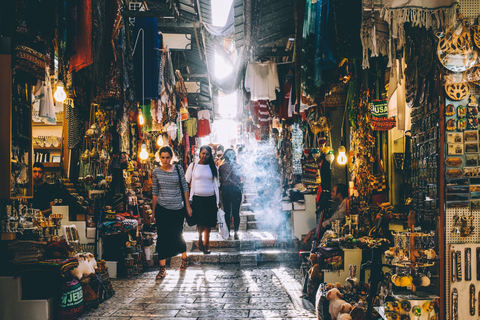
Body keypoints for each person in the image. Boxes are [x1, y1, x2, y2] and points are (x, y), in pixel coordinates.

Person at [152, 146, 192, 280]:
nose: (165, 160)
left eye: (167, 157)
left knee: (177, 235)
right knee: (162, 237)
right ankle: (162, 269)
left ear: (172, 157)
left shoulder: (178, 169)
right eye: (162, 157)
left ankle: (184, 258)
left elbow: (185, 187)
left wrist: (187, 206)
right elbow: (155, 192)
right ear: (159, 158)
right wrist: (153, 212)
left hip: (177, 209)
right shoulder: (156, 172)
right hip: (162, 209)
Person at [186, 145, 220, 254]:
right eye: (203, 153)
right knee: (200, 222)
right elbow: (186, 182)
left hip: (210, 198)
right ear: (199, 153)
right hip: (197, 198)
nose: (204, 156)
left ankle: (206, 245)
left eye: (207, 154)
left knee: (208, 223)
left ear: (210, 155)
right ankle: (200, 239)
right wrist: (186, 200)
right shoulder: (193, 165)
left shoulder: (213, 167)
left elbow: (217, 184)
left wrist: (219, 201)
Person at [219, 149, 245, 240]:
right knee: (236, 212)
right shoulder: (238, 166)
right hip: (236, 189)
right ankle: (236, 232)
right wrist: (241, 187)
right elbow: (243, 178)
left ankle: (228, 232)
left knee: (227, 212)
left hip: (226, 190)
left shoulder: (221, 168)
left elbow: (220, 180)